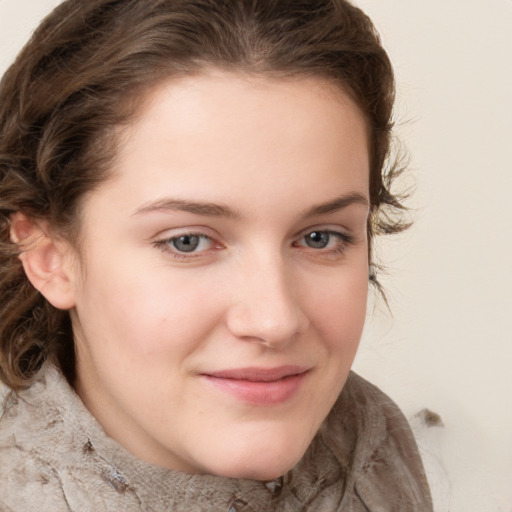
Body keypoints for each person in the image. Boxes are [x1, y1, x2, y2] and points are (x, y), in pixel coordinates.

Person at [0, 0, 432, 510]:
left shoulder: (374, 445)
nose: (275, 320)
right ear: (48, 254)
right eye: (188, 241)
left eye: (320, 237)